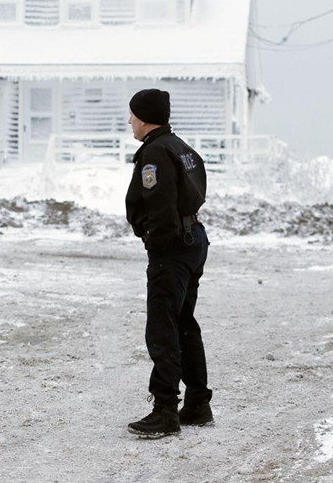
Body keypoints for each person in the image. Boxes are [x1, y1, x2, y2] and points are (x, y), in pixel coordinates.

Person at [124, 88, 214, 438]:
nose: (129, 120)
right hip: (192, 241)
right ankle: (196, 403)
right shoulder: (179, 147)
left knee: (163, 328)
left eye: (132, 114)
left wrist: (155, 243)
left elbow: (159, 206)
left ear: (144, 117)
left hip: (173, 250)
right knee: (183, 323)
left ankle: (165, 410)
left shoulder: (155, 154)